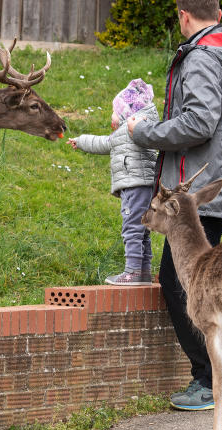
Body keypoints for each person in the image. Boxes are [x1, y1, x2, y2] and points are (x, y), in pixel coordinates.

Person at [127, 0, 222, 411]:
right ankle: (221, 381)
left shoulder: (203, 57)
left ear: (184, 16)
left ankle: (211, 383)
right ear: (217, 13)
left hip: (200, 188)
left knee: (178, 281)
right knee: (208, 283)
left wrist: (142, 132)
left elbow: (199, 121)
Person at [68, 78, 159, 285]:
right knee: (142, 229)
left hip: (134, 186)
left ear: (127, 112)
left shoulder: (133, 129)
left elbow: (105, 143)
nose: (112, 115)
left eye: (115, 111)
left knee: (132, 228)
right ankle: (143, 272)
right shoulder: (133, 130)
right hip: (144, 185)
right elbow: (103, 142)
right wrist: (81, 141)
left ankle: (133, 271)